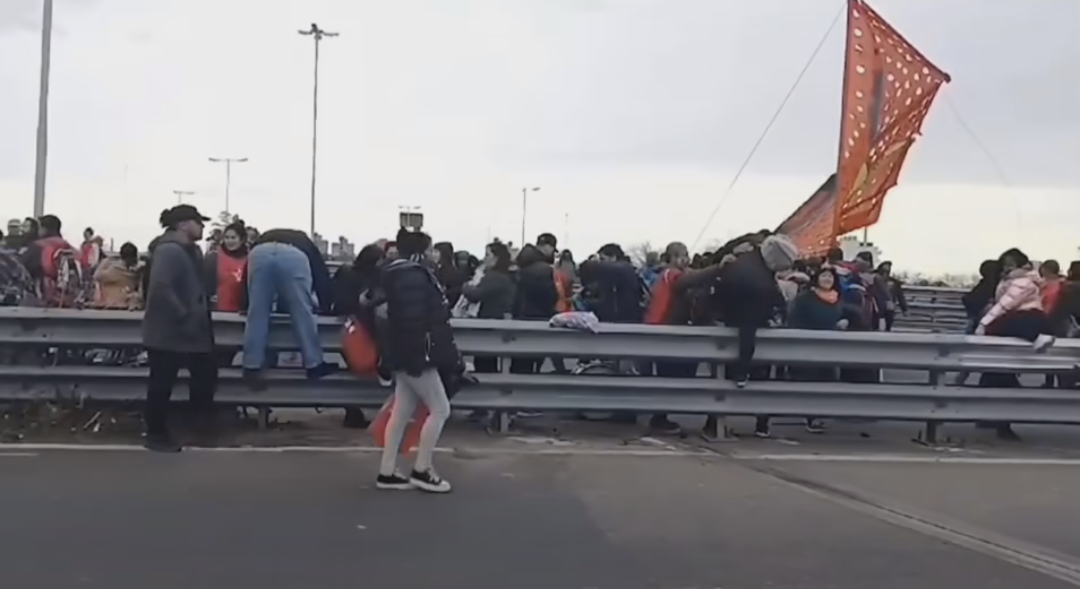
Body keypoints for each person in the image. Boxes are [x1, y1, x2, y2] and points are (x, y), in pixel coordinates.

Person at [374, 228, 461, 493]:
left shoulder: (393, 275)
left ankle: (387, 470)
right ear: (419, 252)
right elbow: (417, 321)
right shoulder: (415, 277)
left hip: (402, 353)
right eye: (430, 249)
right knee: (440, 409)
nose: (434, 254)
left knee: (401, 411)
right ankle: (422, 469)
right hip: (417, 354)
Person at [141, 205, 218, 452]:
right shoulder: (169, 251)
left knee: (204, 376)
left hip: (188, 332)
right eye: (198, 222)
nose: (202, 226)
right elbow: (161, 287)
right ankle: (156, 433)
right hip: (170, 331)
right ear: (184, 224)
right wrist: (183, 314)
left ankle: (193, 427)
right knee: (162, 384)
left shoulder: (190, 251)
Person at [241, 228, 339, 389]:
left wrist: (245, 302)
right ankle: (314, 364)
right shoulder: (304, 242)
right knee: (302, 310)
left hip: (259, 253)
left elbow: (247, 277)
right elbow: (321, 276)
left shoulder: (264, 238)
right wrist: (326, 305)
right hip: (293, 254)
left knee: (257, 313)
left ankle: (251, 367)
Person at [462, 241, 516, 373]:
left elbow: (477, 294)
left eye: (487, 254)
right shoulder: (506, 276)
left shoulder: (493, 277)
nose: (485, 258)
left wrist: (466, 287)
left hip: (488, 320)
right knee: (490, 359)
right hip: (498, 320)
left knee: (484, 360)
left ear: (496, 258)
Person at [20, 214, 87, 307]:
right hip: (69, 300)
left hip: (43, 298)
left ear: (44, 229)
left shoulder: (38, 246)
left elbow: (21, 267)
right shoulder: (70, 248)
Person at [203, 221, 249, 313]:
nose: (229, 241)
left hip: (240, 311)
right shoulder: (214, 257)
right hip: (217, 310)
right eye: (227, 238)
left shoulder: (249, 259)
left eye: (233, 238)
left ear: (242, 239)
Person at [93, 242, 142, 309]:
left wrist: (106, 261)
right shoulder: (136, 273)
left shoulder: (114, 271)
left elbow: (96, 276)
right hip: (128, 306)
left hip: (111, 306)